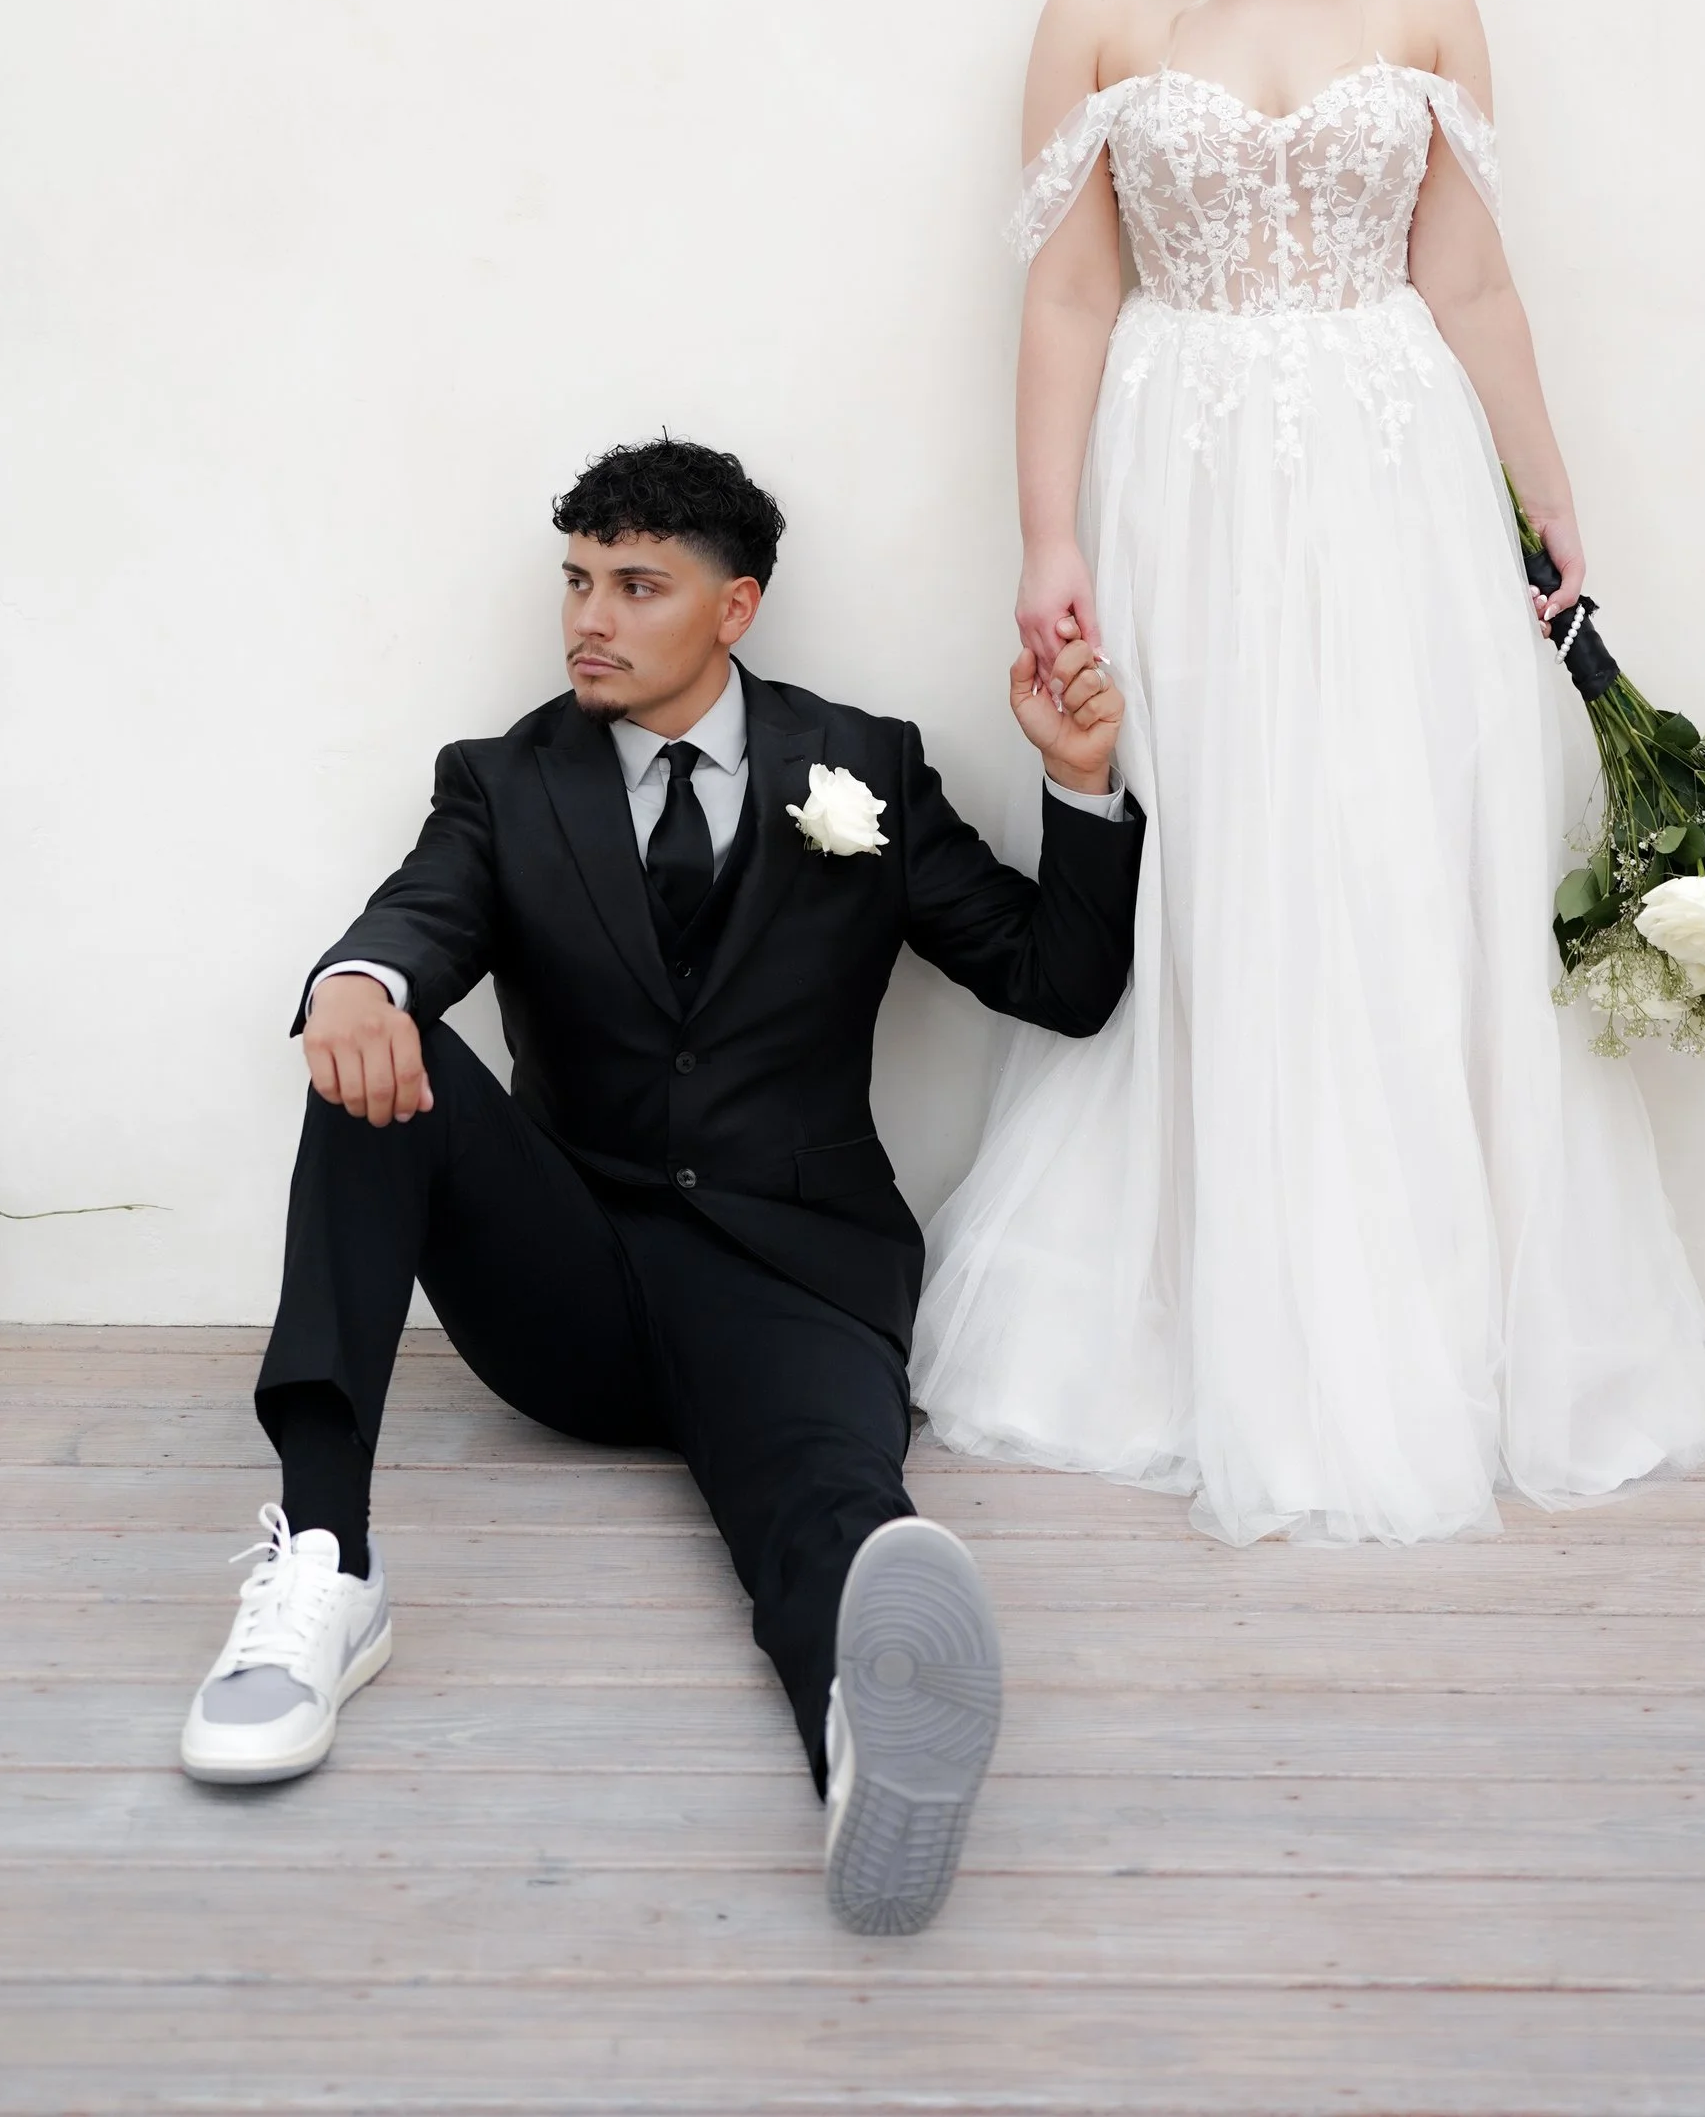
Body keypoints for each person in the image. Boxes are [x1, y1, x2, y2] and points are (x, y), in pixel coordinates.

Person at [911, 0, 1705, 1545]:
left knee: (1394, 849)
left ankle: (1429, 1315)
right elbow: (1064, 292)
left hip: (1386, 469)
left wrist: (1551, 504)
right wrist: (1047, 539)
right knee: (1222, 858)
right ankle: (1213, 1315)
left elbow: (1468, 280)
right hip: (1184, 465)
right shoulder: (1101, 13)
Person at [181, 435, 1143, 1938]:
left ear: (735, 606)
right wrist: (357, 982)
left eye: (638, 585)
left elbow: (1059, 981)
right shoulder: (506, 781)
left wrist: (1080, 788)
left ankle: (864, 1743)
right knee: (383, 1043)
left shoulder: (863, 766)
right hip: (578, 1288)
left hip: (795, 1274)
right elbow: (418, 913)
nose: (592, 617)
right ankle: (324, 1563)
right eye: (578, 581)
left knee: (832, 1504)